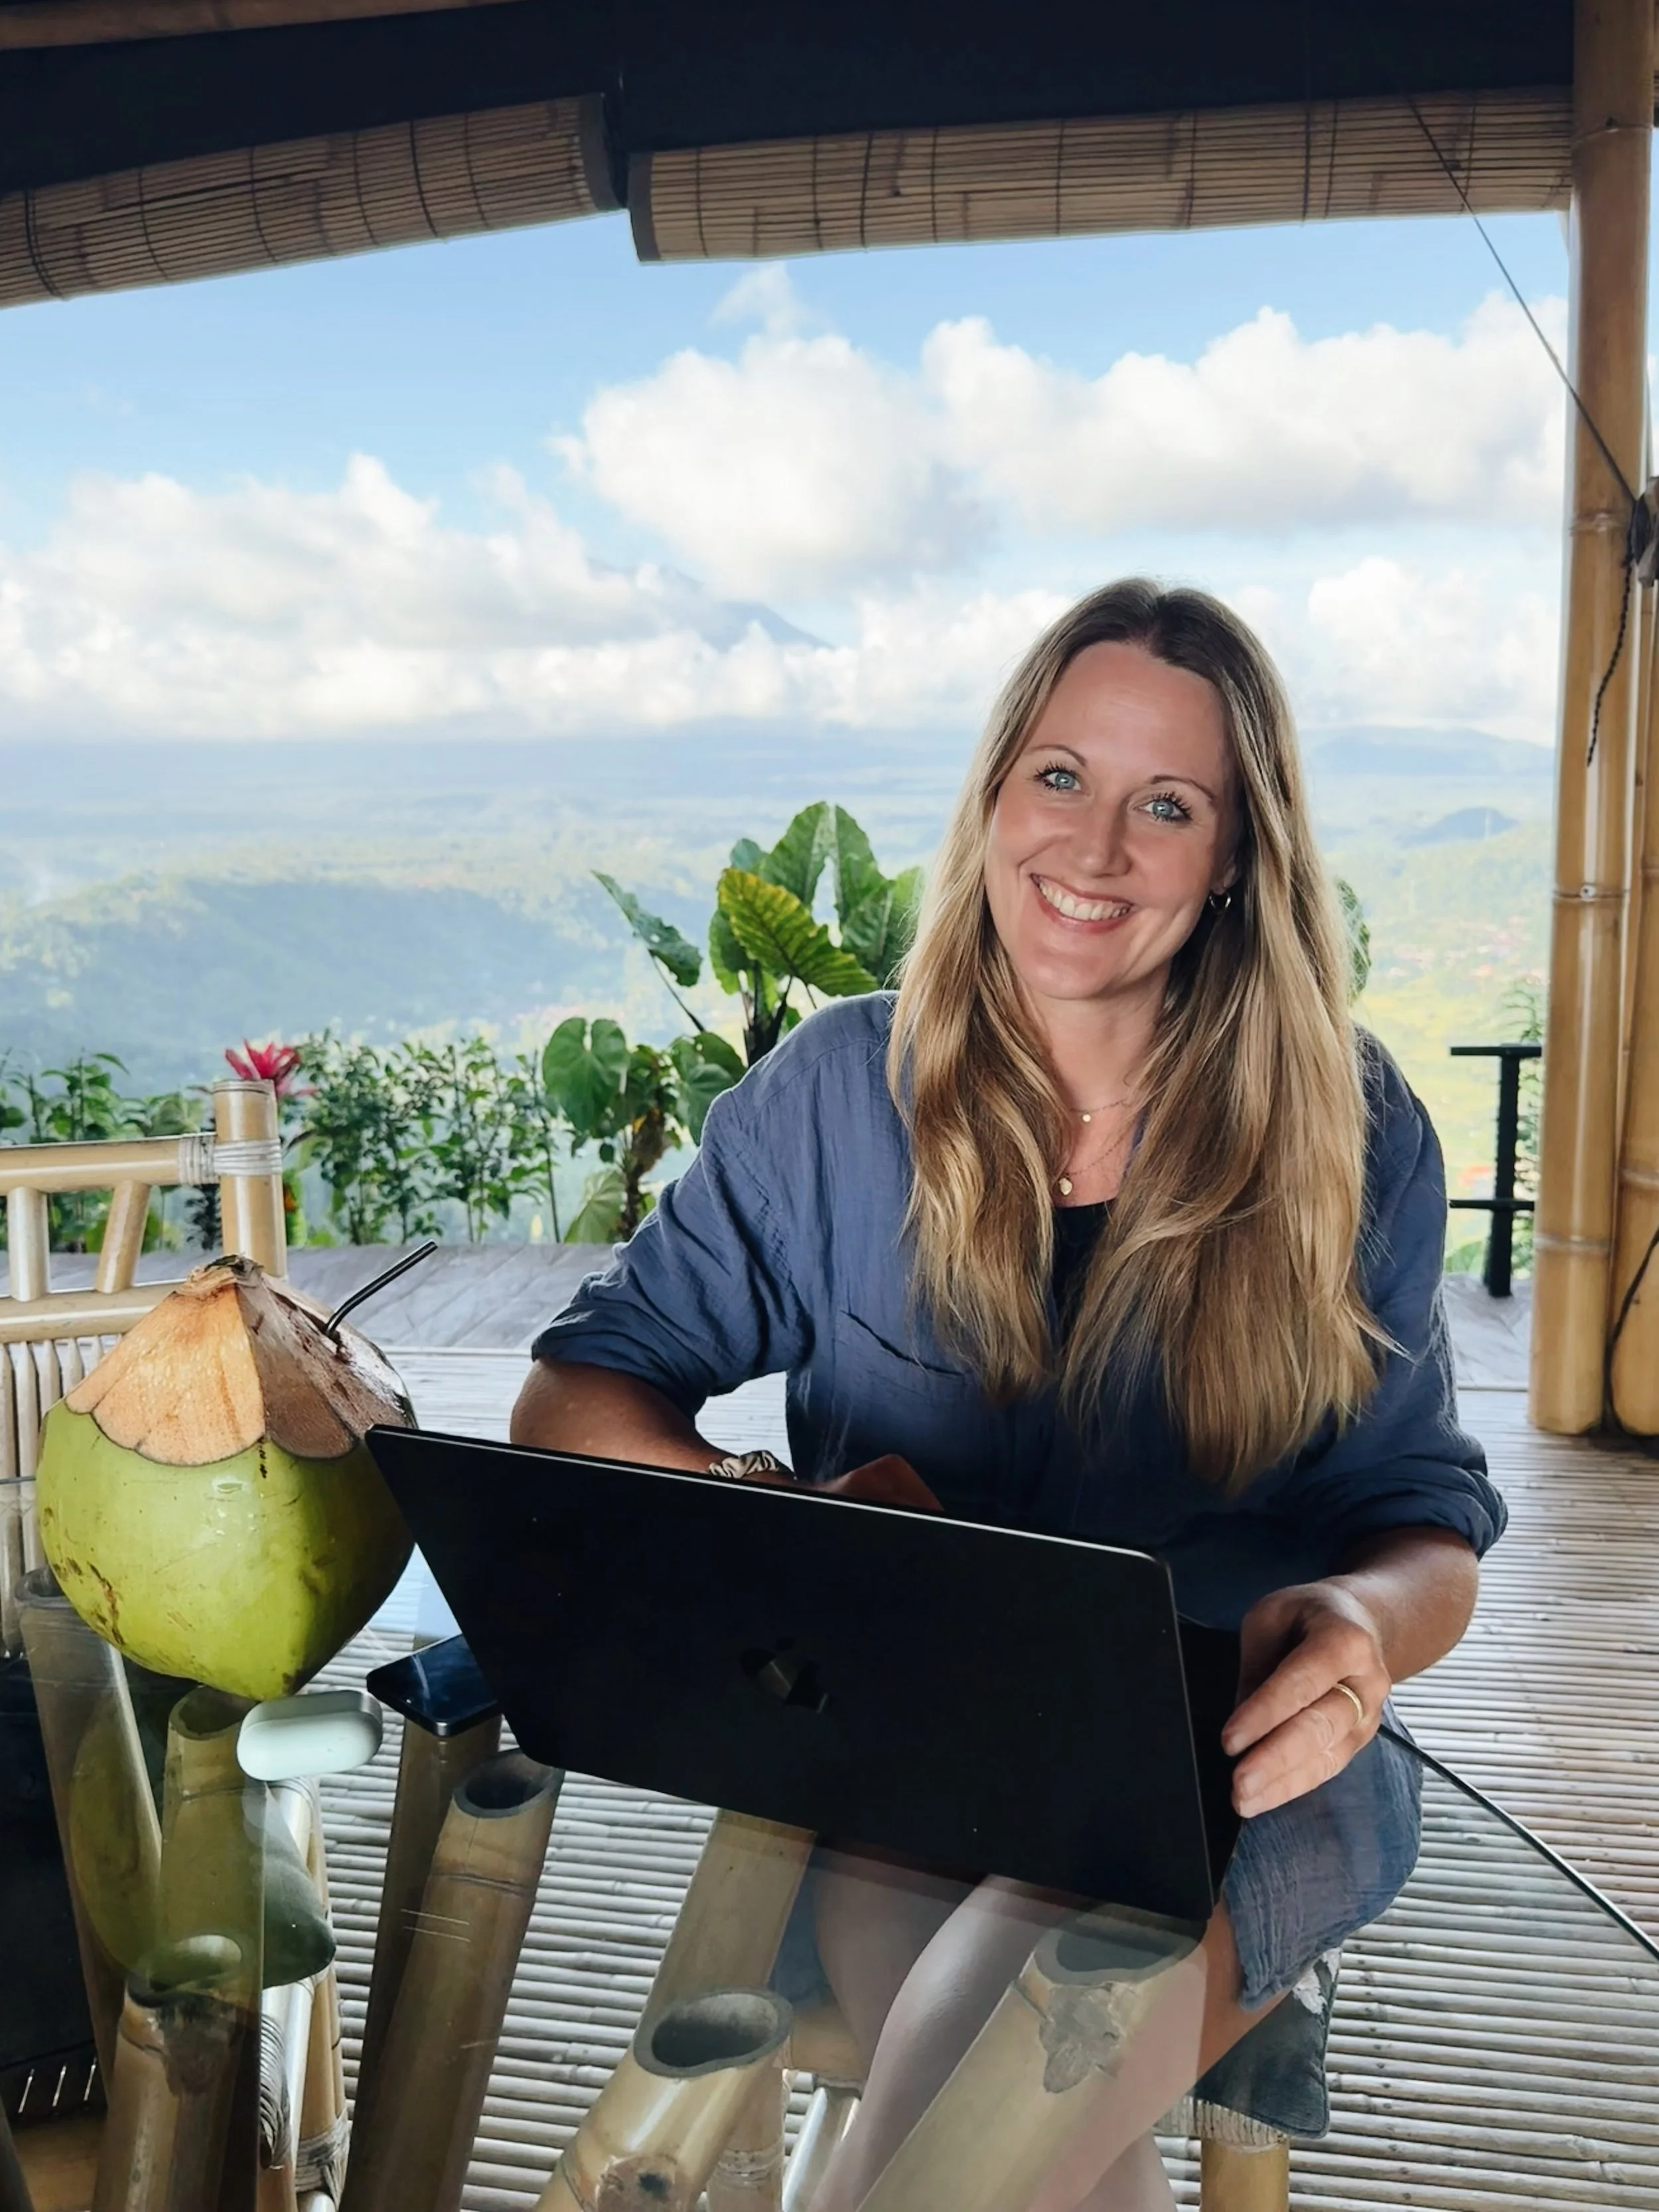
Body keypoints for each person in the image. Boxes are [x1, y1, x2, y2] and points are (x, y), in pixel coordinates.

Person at [512, 579, 1507, 2211]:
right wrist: (778, 1517)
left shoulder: (1350, 1122)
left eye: (1164, 805)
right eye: (1058, 776)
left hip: (1224, 1762)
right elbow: (573, 1398)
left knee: (973, 2081)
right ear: (991, 795)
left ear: (1235, 857)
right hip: (913, 1736)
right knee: (995, 2131)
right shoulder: (835, 1094)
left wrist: (1358, 1622)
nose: (1092, 848)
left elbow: (1420, 1517)